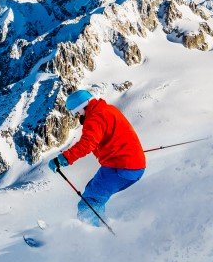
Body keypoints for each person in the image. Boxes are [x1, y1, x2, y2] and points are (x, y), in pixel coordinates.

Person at [47, 90, 146, 227]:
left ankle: (91, 236)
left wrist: (62, 159)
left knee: (89, 202)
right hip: (131, 164)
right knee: (92, 192)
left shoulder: (95, 118)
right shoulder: (107, 109)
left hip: (121, 167)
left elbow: (87, 144)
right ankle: (101, 226)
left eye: (76, 112)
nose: (77, 116)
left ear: (82, 107)